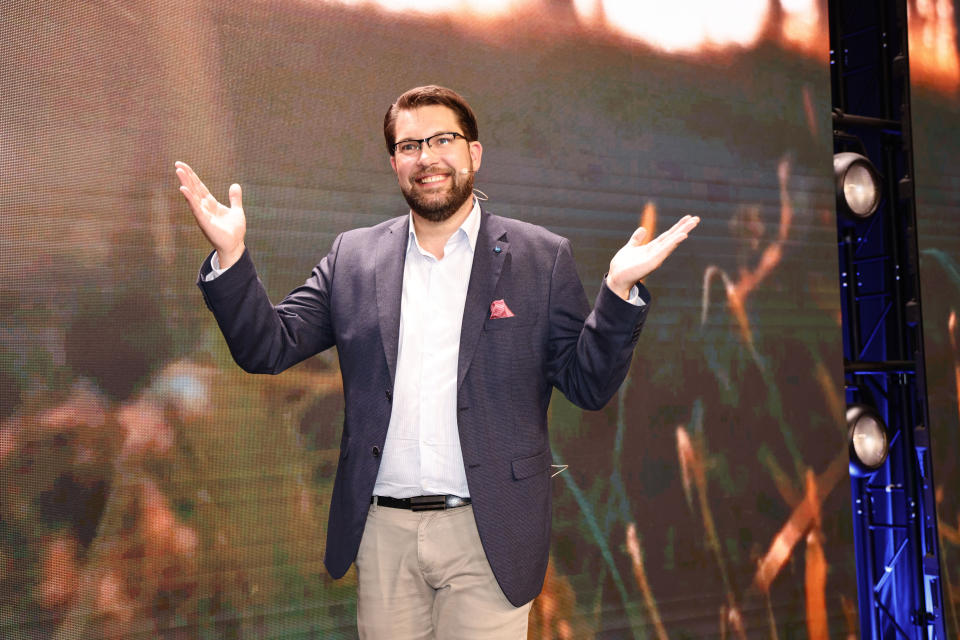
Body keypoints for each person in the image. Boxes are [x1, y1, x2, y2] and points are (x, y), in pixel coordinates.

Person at [175, 85, 699, 640]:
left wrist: (618, 291)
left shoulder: (541, 258)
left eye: (442, 139)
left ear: (474, 153)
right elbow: (269, 346)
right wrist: (231, 259)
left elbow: (587, 385)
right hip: (384, 534)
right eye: (409, 145)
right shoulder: (353, 257)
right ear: (395, 163)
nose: (426, 157)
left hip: (488, 531)